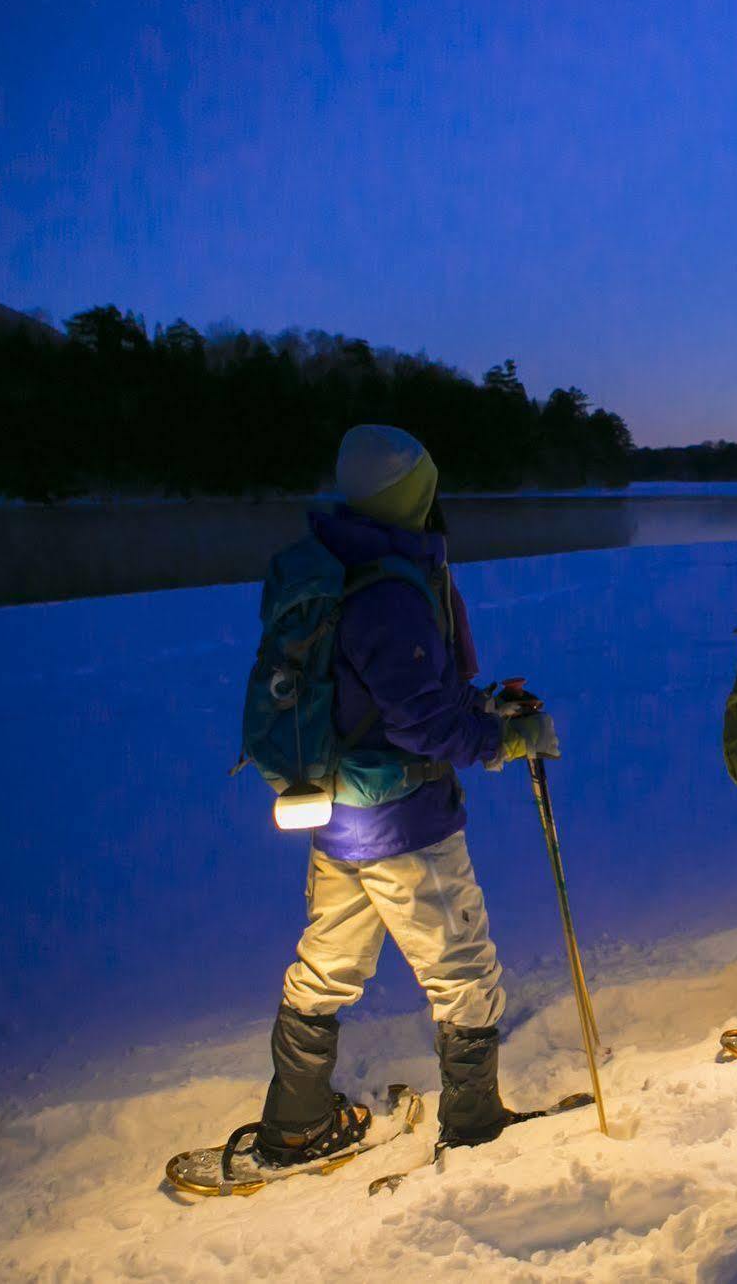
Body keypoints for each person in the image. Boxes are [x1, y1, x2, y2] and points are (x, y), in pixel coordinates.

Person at [242, 425, 559, 1167]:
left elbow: (385, 701)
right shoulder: (390, 588)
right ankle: (475, 1125)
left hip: (339, 810)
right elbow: (421, 724)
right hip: (404, 822)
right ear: (415, 495)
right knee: (463, 971)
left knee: (326, 963)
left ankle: (295, 1120)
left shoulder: (339, 564)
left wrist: (474, 710)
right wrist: (504, 740)